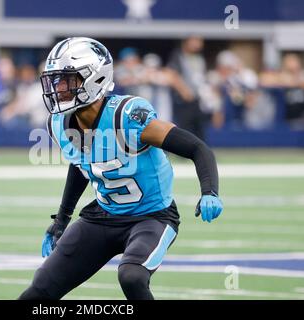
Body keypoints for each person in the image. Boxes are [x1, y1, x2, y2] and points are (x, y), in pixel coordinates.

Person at [18, 37, 223, 300]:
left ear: (94, 78)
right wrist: (61, 219)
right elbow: (82, 165)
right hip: (102, 216)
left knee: (132, 276)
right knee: (41, 289)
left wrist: (210, 191)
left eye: (67, 79)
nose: (58, 88)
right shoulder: (60, 124)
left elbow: (197, 148)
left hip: (151, 216)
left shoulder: (127, 116)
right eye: (56, 80)